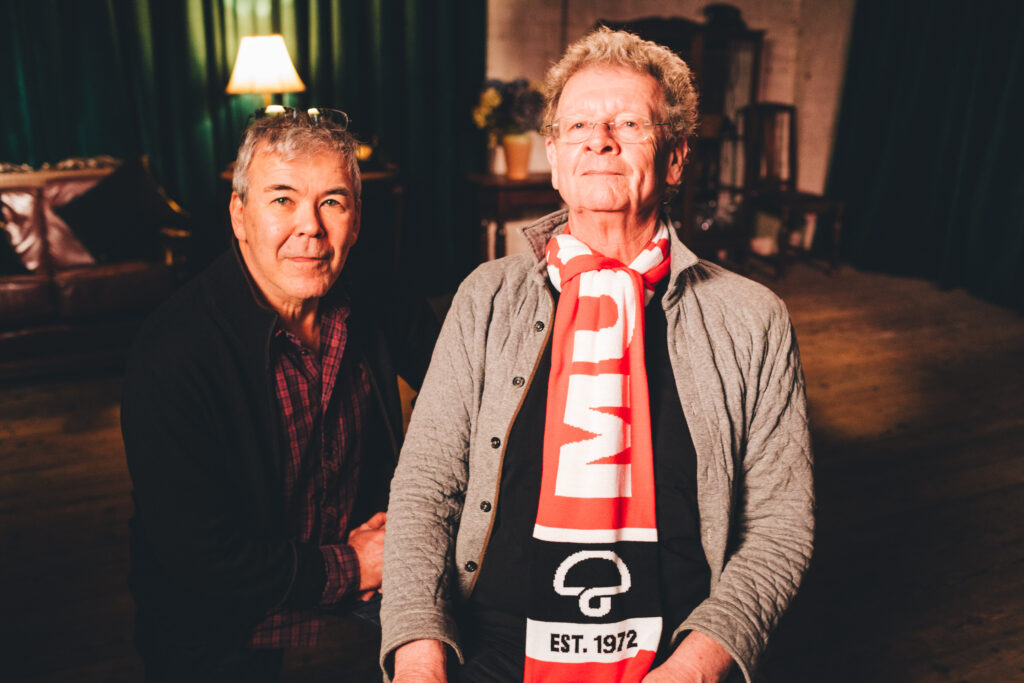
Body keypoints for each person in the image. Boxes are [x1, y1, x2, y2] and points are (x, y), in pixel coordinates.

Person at [380, 28, 813, 683]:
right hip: (492, 649)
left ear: (675, 158)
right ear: (555, 158)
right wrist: (419, 653)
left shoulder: (752, 319)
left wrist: (694, 667)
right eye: (578, 124)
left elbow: (780, 525)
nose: (600, 139)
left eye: (629, 123)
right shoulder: (486, 296)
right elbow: (424, 488)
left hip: (670, 656)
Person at [122, 108, 438, 682]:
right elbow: (201, 559)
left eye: (332, 202)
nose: (310, 227)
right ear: (239, 215)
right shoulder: (172, 352)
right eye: (283, 200)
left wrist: (412, 524)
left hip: (362, 567)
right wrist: (356, 563)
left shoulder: (377, 298)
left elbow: (467, 401)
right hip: (223, 616)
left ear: (356, 220)